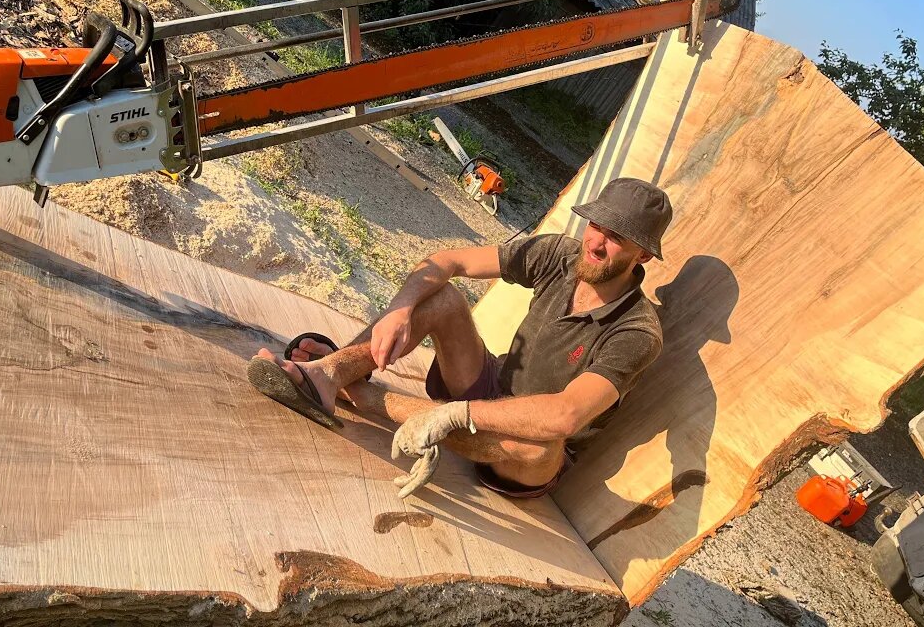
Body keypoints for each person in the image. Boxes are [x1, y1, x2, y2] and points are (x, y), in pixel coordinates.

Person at [247, 177, 672, 498]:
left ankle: (365, 397)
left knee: (544, 446)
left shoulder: (637, 332)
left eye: (617, 238)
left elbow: (564, 416)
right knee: (443, 298)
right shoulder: (562, 255)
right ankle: (330, 372)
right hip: (490, 384)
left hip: (523, 455)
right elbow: (448, 260)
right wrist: (399, 311)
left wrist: (452, 415)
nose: (596, 243)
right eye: (597, 225)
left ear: (644, 254)